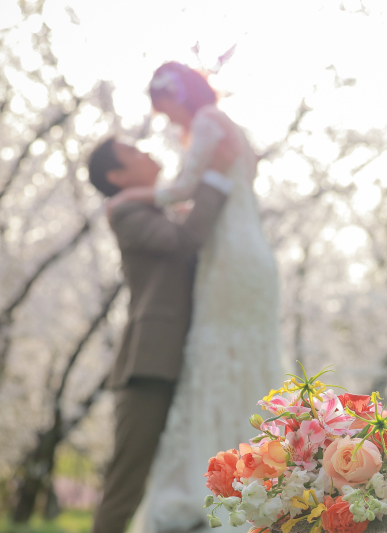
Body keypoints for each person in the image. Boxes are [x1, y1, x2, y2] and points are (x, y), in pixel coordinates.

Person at [113, 62, 284, 533]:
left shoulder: (208, 121)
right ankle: (258, 476)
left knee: (214, 356)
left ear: (178, 96)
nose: (169, 122)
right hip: (250, 253)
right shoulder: (228, 126)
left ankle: (219, 479)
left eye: (166, 110)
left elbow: (185, 187)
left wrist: (133, 197)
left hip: (228, 257)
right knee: (247, 358)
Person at [86, 137, 236, 533]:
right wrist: (215, 179)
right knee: (127, 479)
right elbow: (182, 241)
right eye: (132, 153)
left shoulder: (154, 209)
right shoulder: (126, 212)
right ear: (117, 176)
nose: (145, 151)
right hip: (150, 362)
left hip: (189, 356)